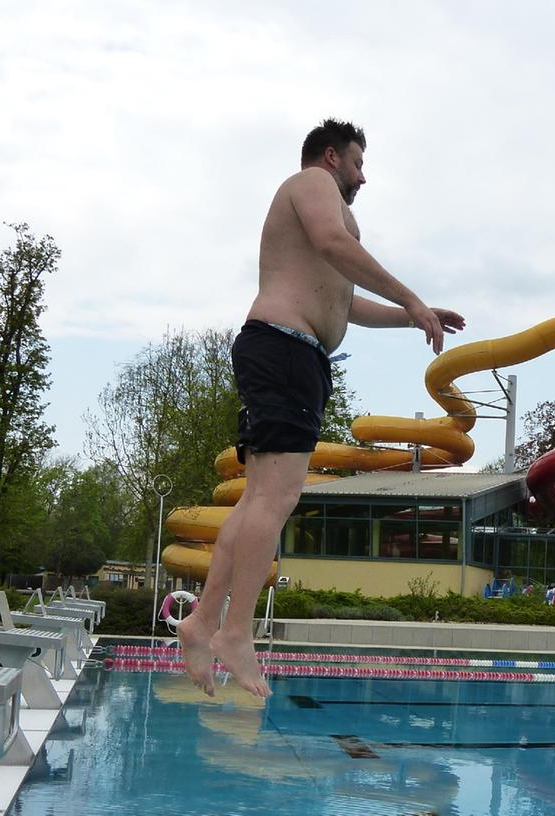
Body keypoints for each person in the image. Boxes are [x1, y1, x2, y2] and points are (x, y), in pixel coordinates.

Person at [177, 119, 464, 698]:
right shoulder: (312, 184)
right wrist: (410, 295)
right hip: (284, 350)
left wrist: (414, 312)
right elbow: (338, 246)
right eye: (359, 163)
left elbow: (346, 301)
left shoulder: (326, 208)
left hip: (286, 352)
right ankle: (236, 631)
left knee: (259, 500)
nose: (364, 175)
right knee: (277, 499)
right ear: (331, 157)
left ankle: (203, 622)